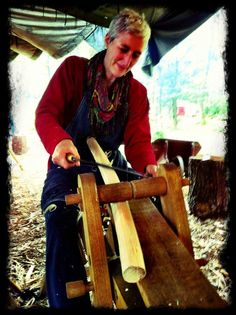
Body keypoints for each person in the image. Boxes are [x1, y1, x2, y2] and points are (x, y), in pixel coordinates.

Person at [35, 8, 157, 309]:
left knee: (152, 205)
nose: (127, 60)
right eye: (123, 49)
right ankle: (66, 302)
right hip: (69, 163)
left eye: (136, 55)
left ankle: (150, 286)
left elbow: (139, 141)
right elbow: (46, 114)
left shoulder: (137, 93)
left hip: (109, 164)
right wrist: (60, 142)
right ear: (108, 40)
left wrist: (148, 168)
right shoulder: (73, 70)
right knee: (59, 216)